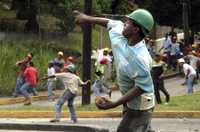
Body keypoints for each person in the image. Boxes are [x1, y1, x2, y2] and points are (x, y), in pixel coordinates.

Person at [74, 8, 155, 132]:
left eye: (128, 22)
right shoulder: (120, 33)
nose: (124, 24)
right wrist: (86, 18)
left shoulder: (141, 58)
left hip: (140, 106)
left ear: (136, 29)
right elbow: (109, 23)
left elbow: (142, 87)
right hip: (129, 102)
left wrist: (114, 104)